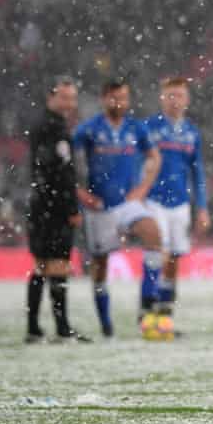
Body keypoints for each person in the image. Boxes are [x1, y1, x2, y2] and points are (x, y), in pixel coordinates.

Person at [73, 78, 164, 338]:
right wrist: (80, 193)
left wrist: (143, 188)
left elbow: (155, 157)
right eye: (114, 98)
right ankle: (106, 325)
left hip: (127, 203)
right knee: (100, 266)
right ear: (104, 99)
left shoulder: (136, 128)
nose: (120, 102)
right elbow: (67, 164)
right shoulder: (88, 129)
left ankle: (146, 310)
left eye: (124, 97)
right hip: (99, 206)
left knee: (153, 234)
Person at [25, 76, 91, 343]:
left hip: (43, 204)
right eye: (64, 97)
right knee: (56, 265)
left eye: (72, 98)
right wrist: (71, 207)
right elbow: (60, 173)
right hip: (52, 207)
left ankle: (35, 328)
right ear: (51, 97)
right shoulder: (52, 127)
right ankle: (61, 328)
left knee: (43, 266)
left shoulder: (47, 125)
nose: (69, 103)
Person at [144, 77, 210, 323]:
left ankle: (165, 313)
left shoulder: (191, 132)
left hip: (180, 202)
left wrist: (202, 207)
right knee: (155, 255)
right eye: (170, 95)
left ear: (187, 99)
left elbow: (198, 172)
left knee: (173, 258)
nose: (175, 100)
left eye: (179, 95)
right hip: (153, 200)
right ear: (162, 98)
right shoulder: (149, 127)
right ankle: (146, 310)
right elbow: (138, 163)